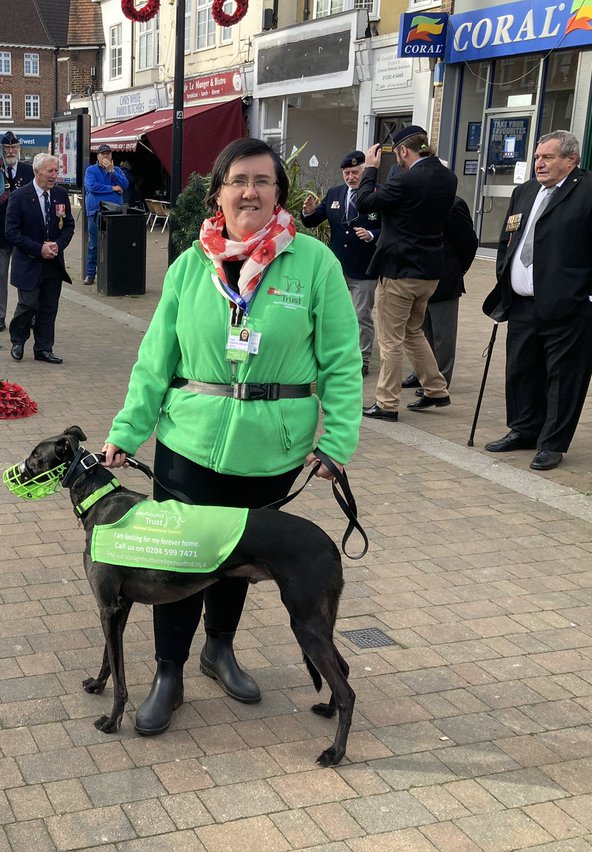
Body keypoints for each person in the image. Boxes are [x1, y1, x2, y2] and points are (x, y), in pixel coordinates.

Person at [100, 137, 362, 735]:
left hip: (272, 446)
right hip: (188, 444)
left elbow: (344, 361)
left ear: (279, 193)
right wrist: (128, 430)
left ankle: (219, 651)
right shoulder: (190, 265)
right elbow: (154, 359)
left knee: (239, 558)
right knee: (178, 560)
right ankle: (169, 673)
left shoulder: (315, 263)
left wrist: (337, 439)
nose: (250, 191)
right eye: (238, 179)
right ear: (218, 191)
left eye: (263, 181)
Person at [482, 130, 592, 471]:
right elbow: (508, 240)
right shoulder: (525, 191)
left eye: (547, 157)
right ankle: (524, 429)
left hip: (569, 304)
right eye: (537, 157)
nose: (539, 164)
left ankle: (552, 443)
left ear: (570, 160)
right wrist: (505, 278)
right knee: (521, 370)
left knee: (564, 376)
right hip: (523, 303)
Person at [354, 125, 456, 421]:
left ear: (402, 151)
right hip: (430, 272)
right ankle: (437, 388)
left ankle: (386, 403)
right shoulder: (448, 178)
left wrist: (370, 170)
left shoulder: (407, 180)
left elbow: (364, 202)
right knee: (413, 331)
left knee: (391, 340)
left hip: (400, 272)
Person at [300, 150, 379, 375]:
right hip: (337, 266)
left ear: (365, 171)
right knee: (331, 313)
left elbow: (390, 228)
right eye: (346, 173)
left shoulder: (377, 194)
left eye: (355, 172)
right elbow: (315, 220)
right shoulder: (335, 193)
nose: (350, 177)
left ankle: (362, 360)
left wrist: (372, 233)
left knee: (361, 315)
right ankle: (334, 353)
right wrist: (308, 212)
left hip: (364, 267)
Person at [4, 153, 74, 364]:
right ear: (37, 172)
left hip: (53, 263)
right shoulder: (19, 196)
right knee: (28, 304)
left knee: (49, 306)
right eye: (50, 171)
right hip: (28, 262)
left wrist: (57, 245)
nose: (55, 176)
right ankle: (18, 340)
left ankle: (43, 348)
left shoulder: (61, 195)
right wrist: (38, 249)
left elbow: (68, 225)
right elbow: (11, 232)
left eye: (56, 171)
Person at [403, 196, 478, 391]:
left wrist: (456, 270)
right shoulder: (417, 200)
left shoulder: (453, 204)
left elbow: (468, 243)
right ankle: (422, 373)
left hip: (444, 280)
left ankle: (440, 379)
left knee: (442, 335)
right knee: (421, 330)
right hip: (419, 277)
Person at [0, 131, 33, 330]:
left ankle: (25, 314)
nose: (10, 151)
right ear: (0, 150)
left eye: (13, 147)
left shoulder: (29, 171)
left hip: (23, 233)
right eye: (6, 148)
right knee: (0, 277)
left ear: (19, 148)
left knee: (24, 276)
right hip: (0, 231)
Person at [82, 145, 129, 285]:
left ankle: (114, 272)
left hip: (115, 212)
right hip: (95, 211)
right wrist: (113, 188)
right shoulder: (91, 170)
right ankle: (90, 273)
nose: (106, 157)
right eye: (103, 154)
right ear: (97, 156)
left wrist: (112, 171)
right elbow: (92, 187)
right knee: (94, 243)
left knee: (115, 243)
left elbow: (125, 185)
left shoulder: (117, 171)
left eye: (108, 154)